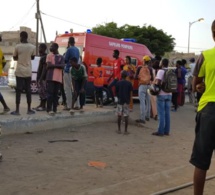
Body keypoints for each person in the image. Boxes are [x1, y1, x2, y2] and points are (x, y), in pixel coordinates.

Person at [189, 20, 215, 195]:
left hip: (209, 111)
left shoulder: (206, 55)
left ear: (213, 33)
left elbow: (195, 85)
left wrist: (200, 86)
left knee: (201, 161)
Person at [11, 31, 36, 115]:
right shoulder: (32, 47)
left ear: (21, 37)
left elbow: (14, 58)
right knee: (28, 90)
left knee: (18, 90)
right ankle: (29, 109)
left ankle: (17, 110)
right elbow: (32, 58)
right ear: (27, 37)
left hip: (20, 71)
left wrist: (20, 57)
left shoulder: (17, 46)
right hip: (28, 71)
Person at [152, 58, 172, 136]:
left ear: (162, 63)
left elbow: (158, 82)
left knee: (161, 113)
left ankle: (160, 131)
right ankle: (167, 131)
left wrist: (154, 88)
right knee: (167, 113)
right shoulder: (171, 71)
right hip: (169, 94)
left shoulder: (161, 71)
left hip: (161, 94)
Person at [46, 43, 65, 116]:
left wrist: (53, 66)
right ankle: (49, 109)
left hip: (58, 78)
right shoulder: (49, 55)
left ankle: (54, 109)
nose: (50, 48)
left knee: (55, 94)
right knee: (50, 94)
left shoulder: (61, 57)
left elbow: (63, 66)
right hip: (50, 77)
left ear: (56, 47)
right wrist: (58, 65)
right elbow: (48, 66)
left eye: (52, 46)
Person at [135, 55, 153, 124]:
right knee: (148, 101)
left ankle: (142, 118)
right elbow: (152, 78)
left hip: (142, 86)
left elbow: (135, 77)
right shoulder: (150, 68)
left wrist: (139, 77)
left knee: (142, 102)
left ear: (144, 60)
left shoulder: (139, 68)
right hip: (148, 86)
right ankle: (147, 116)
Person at [63, 37, 80, 111]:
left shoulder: (69, 49)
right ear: (74, 42)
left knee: (68, 88)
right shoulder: (77, 49)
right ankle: (77, 105)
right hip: (75, 70)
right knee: (75, 88)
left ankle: (69, 105)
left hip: (68, 70)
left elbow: (65, 60)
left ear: (69, 42)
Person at [115, 70, 133, 134]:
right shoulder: (129, 83)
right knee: (126, 116)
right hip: (126, 101)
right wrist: (130, 101)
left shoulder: (118, 83)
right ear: (126, 76)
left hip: (120, 101)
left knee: (119, 116)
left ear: (121, 75)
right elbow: (130, 93)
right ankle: (125, 130)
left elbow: (116, 93)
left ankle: (119, 130)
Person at [34, 43, 47, 111]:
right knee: (40, 92)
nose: (39, 49)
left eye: (40, 48)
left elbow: (44, 68)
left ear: (44, 49)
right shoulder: (41, 57)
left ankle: (43, 106)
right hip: (40, 77)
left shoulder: (44, 57)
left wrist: (41, 78)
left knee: (43, 92)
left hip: (43, 78)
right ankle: (41, 104)